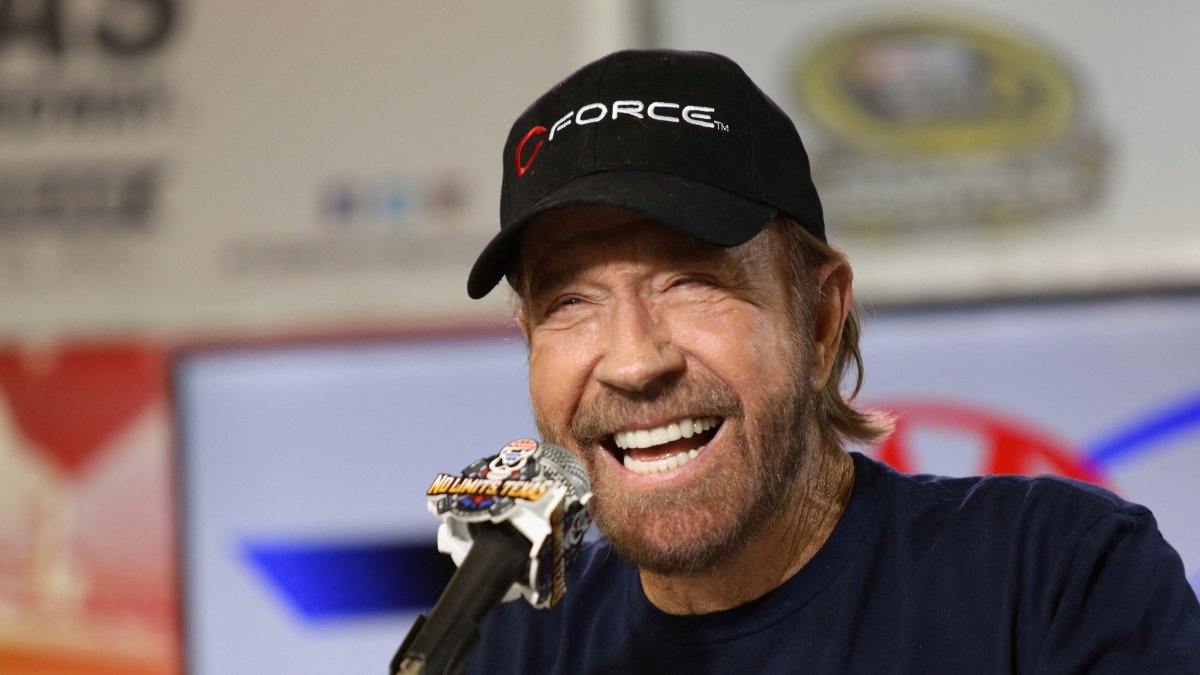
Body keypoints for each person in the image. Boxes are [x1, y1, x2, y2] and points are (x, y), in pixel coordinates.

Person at [462, 49, 1200, 673]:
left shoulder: (1055, 578)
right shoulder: (506, 648)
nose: (633, 360)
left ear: (819, 319)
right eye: (570, 301)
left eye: (692, 281)